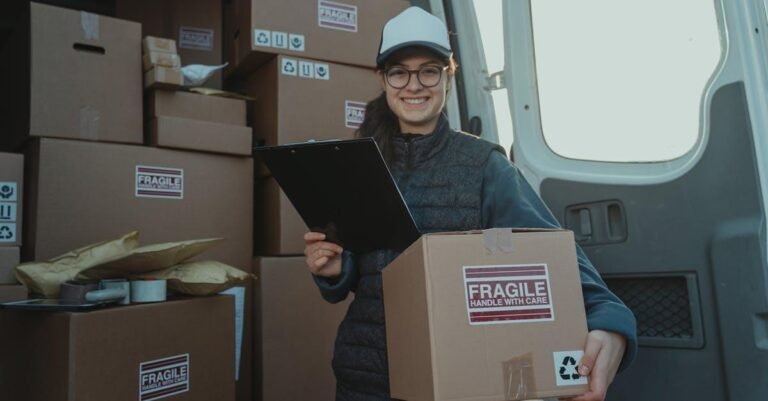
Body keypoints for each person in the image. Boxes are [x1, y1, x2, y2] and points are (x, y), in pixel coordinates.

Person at [303, 6, 637, 401]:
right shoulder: (363, 163)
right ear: (383, 79)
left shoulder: (486, 167)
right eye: (399, 71)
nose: (414, 85)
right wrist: (338, 270)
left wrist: (612, 324)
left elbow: (557, 261)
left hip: (453, 381)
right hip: (363, 380)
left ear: (448, 75)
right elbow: (362, 274)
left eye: (428, 70)